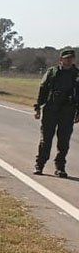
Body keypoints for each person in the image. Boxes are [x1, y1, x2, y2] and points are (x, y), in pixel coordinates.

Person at [33, 48, 78, 178]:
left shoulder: (76, 74)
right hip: (51, 110)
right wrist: (37, 108)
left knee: (64, 141)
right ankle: (39, 165)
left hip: (68, 112)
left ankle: (60, 168)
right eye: (66, 58)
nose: (69, 60)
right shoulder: (52, 72)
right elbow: (43, 90)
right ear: (61, 59)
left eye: (71, 58)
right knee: (46, 139)